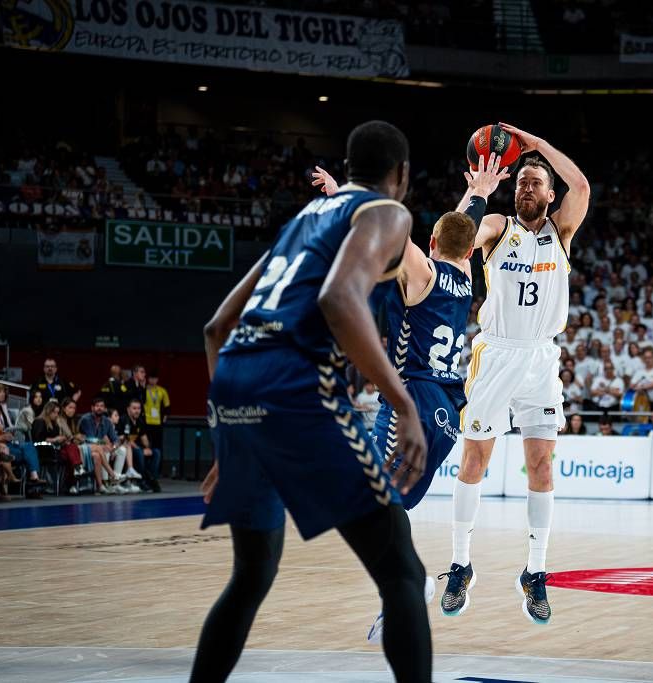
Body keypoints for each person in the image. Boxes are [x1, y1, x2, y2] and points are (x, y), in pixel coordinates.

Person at [191, 121, 431, 683]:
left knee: (251, 575)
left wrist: (234, 441)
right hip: (295, 387)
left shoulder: (301, 220)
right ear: (402, 175)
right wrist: (404, 405)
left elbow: (216, 327)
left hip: (237, 387)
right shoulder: (387, 212)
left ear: (345, 169)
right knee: (401, 571)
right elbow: (339, 298)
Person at [313, 153, 506, 644]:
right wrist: (480, 192)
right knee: (387, 506)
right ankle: (398, 598)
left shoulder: (422, 274)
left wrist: (341, 195)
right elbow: (462, 229)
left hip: (411, 401)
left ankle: (408, 586)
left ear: (432, 243)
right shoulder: (465, 273)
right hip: (444, 410)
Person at [442, 123, 590, 626]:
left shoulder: (561, 234)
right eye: (522, 180)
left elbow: (584, 187)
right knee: (475, 459)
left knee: (542, 466)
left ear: (551, 195)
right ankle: (461, 564)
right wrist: (475, 192)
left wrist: (539, 146)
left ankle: (536, 572)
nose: (527, 186)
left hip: (542, 359)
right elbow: (452, 238)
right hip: (497, 353)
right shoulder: (497, 227)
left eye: (536, 182)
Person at [144, 369, 171, 456]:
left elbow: (167, 406)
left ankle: (157, 467)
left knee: (157, 446)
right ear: (148, 379)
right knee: (146, 445)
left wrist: (164, 418)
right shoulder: (144, 389)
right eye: (151, 378)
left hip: (157, 423)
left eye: (155, 378)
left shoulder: (162, 391)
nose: (153, 380)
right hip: (146, 422)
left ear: (157, 379)